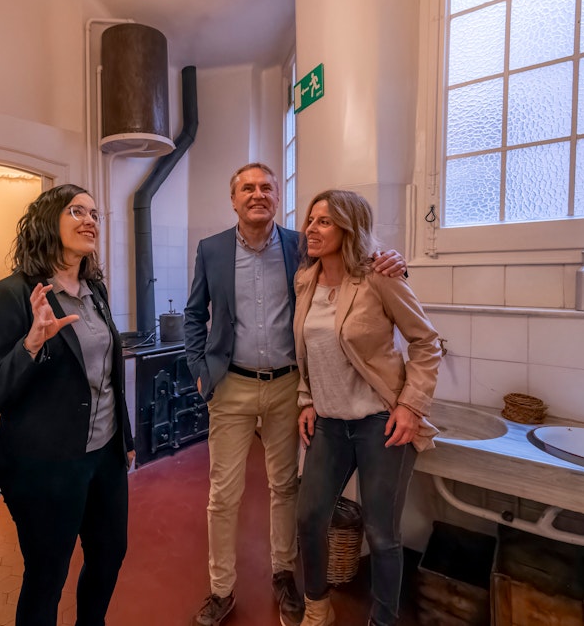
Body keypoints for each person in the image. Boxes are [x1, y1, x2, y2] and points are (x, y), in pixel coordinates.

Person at [184, 163, 407, 626]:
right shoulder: (211, 249)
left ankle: (284, 574)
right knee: (223, 494)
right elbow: (193, 314)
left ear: (277, 197)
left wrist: (396, 261)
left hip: (288, 386)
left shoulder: (300, 245)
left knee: (285, 487)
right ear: (233, 199)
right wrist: (200, 370)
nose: (258, 194)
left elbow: (355, 257)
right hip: (231, 385)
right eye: (247, 188)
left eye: (267, 187)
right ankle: (221, 590)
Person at [0, 184, 135, 626]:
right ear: (48, 221)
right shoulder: (11, 294)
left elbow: (106, 376)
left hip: (104, 457)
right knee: (47, 576)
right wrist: (30, 344)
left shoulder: (95, 291)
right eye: (76, 211)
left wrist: (124, 439)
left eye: (95, 214)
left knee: (109, 555)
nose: (90, 221)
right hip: (46, 466)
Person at [293, 189, 441, 626]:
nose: (311, 229)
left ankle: (383, 619)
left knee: (381, 534)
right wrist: (307, 399)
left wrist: (411, 406)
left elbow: (426, 342)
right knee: (308, 519)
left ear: (348, 228)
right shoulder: (305, 281)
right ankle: (317, 608)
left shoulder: (379, 277)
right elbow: (307, 351)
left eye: (323, 221)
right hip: (329, 424)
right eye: (310, 220)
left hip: (381, 423)